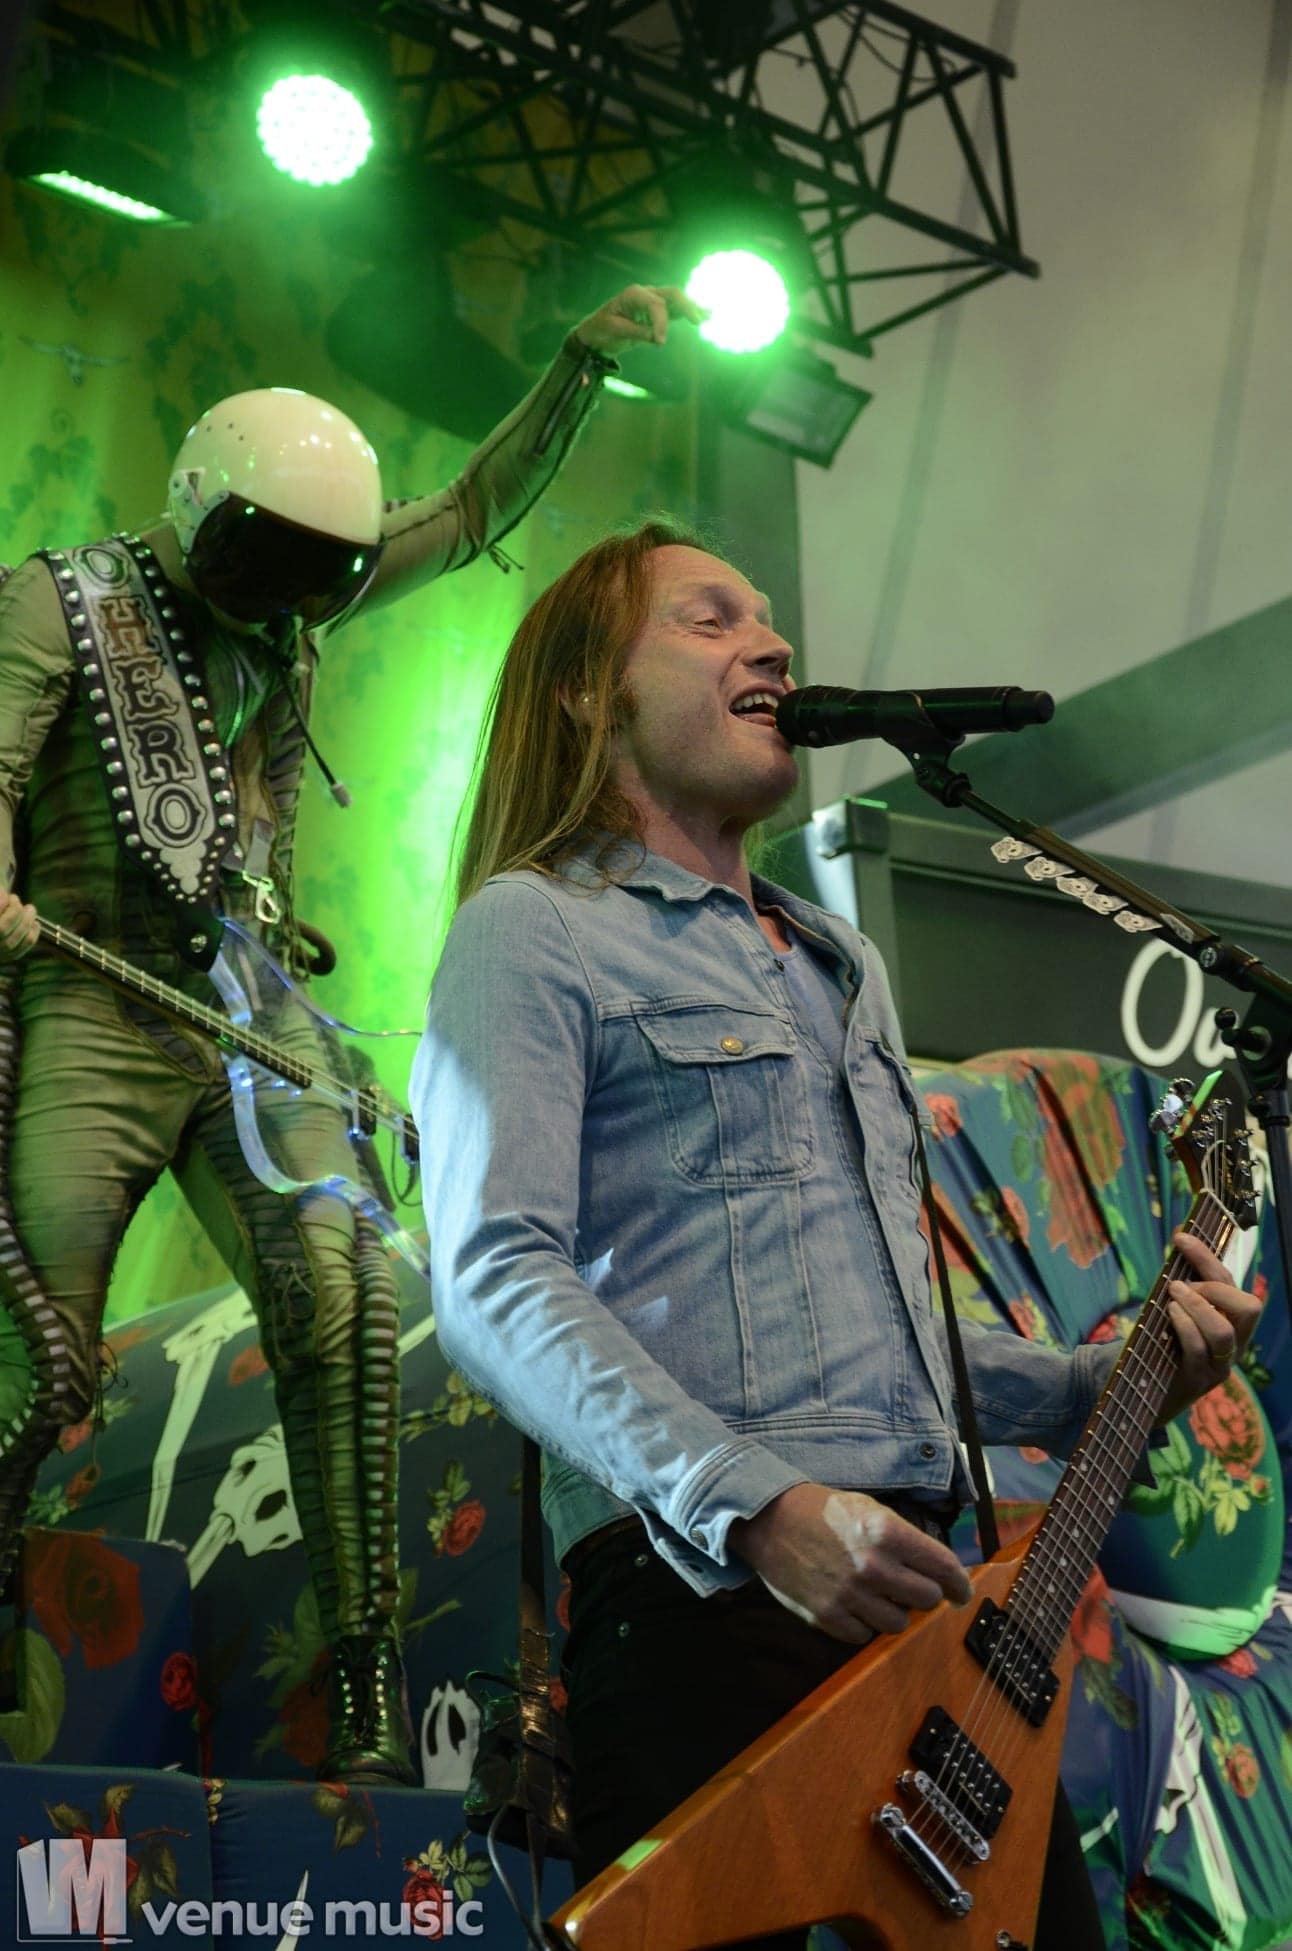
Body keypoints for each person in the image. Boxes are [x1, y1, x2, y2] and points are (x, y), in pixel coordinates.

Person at [411, 519, 1263, 1940]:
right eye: (709, 619)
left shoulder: (837, 964)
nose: (773, 643)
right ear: (586, 690)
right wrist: (760, 1509)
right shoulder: (534, 929)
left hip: (925, 1609)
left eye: (770, 620)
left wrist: (1100, 1385)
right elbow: (492, 1278)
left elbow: (886, 1331)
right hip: (700, 1599)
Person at [0, 287, 703, 1784]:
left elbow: (466, 513)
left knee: (350, 1304)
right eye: (267, 568)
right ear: (201, 513)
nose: (289, 603)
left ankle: (368, 1692)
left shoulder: (301, 584)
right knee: (35, 1350)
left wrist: (576, 366)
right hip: (90, 999)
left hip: (250, 1007)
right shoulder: (55, 603)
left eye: (316, 581)